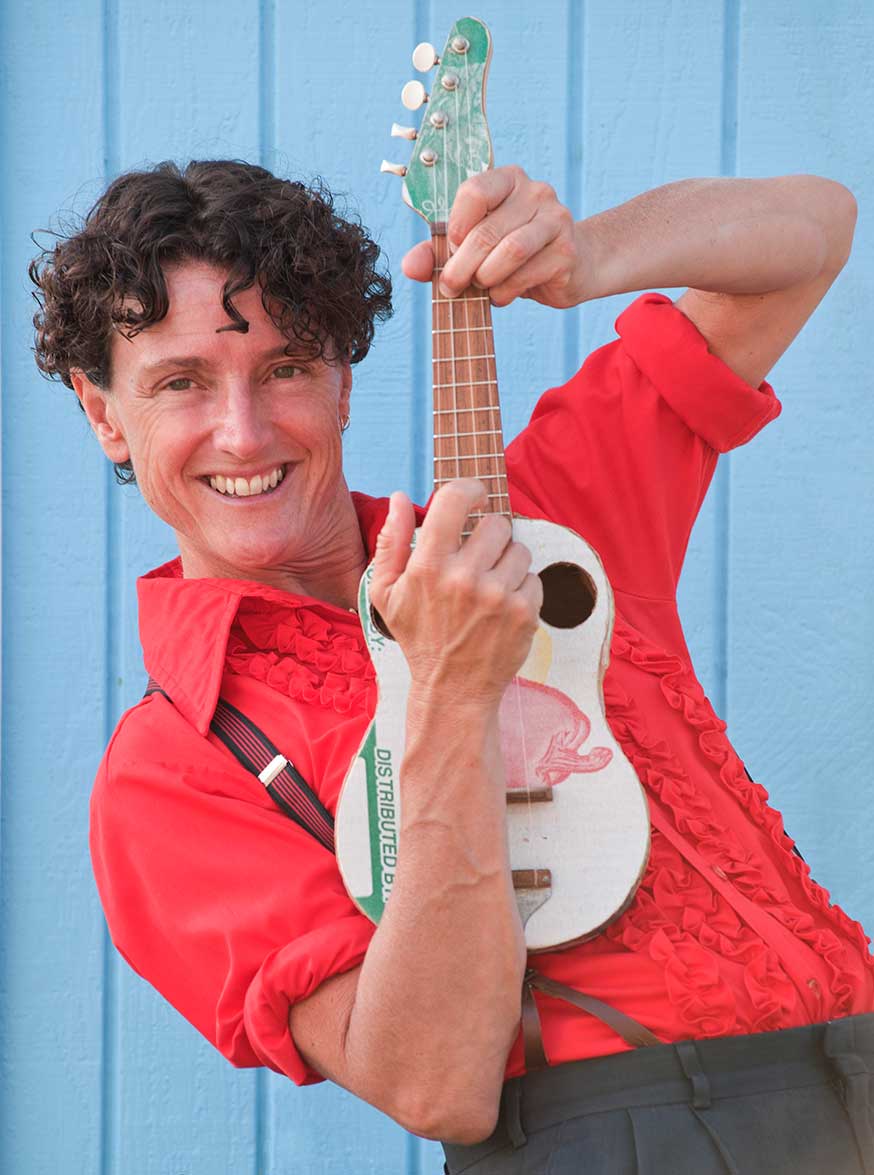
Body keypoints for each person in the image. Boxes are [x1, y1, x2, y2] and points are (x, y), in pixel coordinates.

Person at [30, 158, 874, 1173]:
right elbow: (435, 1083)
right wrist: (450, 688)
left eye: (287, 366)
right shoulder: (173, 769)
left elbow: (815, 230)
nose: (243, 431)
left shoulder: (546, 532)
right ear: (102, 411)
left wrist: (590, 254)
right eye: (181, 382)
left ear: (344, 378)